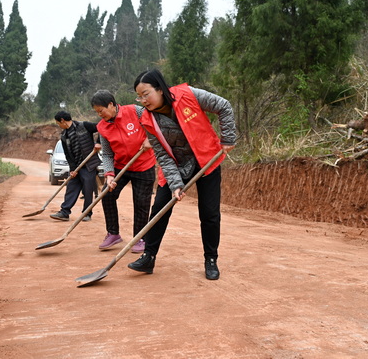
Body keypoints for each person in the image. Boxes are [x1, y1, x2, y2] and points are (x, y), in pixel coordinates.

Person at [128, 69, 236, 280]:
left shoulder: (188, 94)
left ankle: (211, 259)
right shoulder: (148, 120)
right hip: (176, 166)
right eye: (139, 97)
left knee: (209, 213)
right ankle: (149, 257)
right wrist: (175, 184)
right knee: (160, 207)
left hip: (207, 160)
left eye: (146, 94)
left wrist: (228, 138)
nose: (143, 100)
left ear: (160, 89)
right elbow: (163, 156)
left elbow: (223, 106)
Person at [90, 90, 157, 253]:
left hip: (144, 164)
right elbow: (106, 153)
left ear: (111, 104)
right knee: (107, 193)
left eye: (101, 110)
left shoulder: (135, 110)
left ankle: (139, 238)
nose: (100, 115)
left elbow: (155, 122)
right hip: (121, 165)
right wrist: (109, 175)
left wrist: (151, 137)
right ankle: (113, 233)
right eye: (97, 112)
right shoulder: (102, 127)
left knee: (141, 202)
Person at [50, 111, 102, 222]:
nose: (58, 125)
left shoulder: (84, 126)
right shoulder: (64, 136)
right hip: (77, 167)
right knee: (71, 188)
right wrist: (72, 169)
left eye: (58, 123)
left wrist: (98, 142)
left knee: (88, 190)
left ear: (62, 120)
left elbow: (102, 127)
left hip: (89, 164)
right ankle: (64, 212)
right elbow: (68, 155)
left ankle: (87, 213)